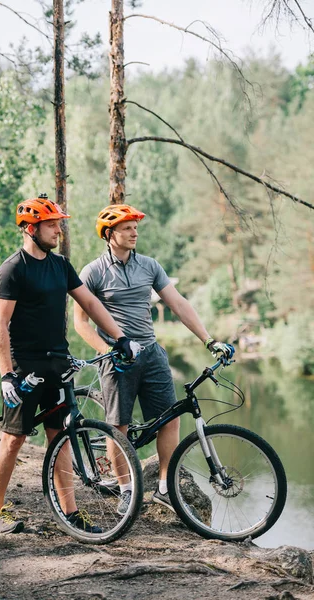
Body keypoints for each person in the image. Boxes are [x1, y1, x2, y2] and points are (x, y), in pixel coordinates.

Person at [0, 194, 140, 536]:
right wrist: (6, 375)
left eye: (59, 223)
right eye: (52, 224)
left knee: (62, 437)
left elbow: (89, 301)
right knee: (14, 438)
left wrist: (120, 338)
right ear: (31, 229)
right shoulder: (13, 269)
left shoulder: (61, 265)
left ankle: (71, 514)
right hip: (24, 369)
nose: (58, 230)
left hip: (57, 363)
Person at [74, 204, 232, 514]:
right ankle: (126, 489)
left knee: (170, 420)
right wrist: (107, 351)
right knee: (117, 426)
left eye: (136, 227)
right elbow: (80, 323)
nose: (135, 232)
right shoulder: (92, 272)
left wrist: (208, 339)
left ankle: (164, 487)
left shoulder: (149, 265)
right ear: (109, 234)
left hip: (152, 353)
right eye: (127, 228)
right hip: (116, 359)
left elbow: (178, 303)